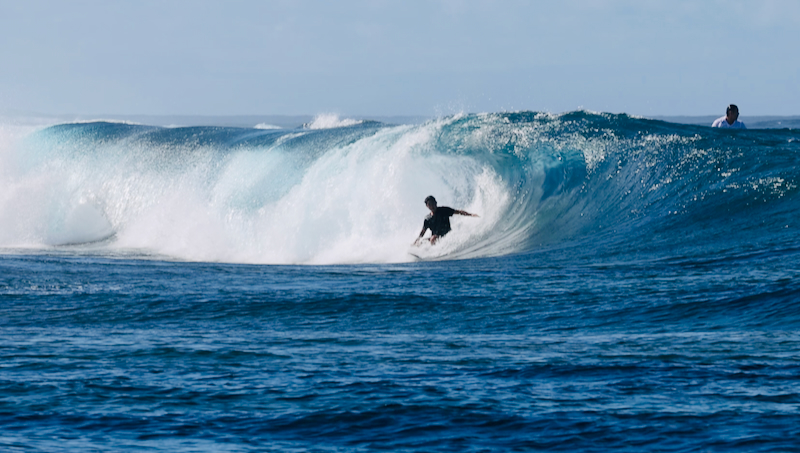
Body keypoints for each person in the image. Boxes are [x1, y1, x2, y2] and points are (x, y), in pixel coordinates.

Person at [413, 195, 478, 245]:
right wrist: (416, 242)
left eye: (433, 203)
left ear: (436, 202)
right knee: (420, 242)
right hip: (434, 239)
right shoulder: (427, 218)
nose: (432, 206)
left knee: (433, 238)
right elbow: (422, 232)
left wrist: (470, 214)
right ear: (427, 206)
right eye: (430, 204)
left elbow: (458, 212)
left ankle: (432, 251)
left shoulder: (444, 210)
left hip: (447, 236)